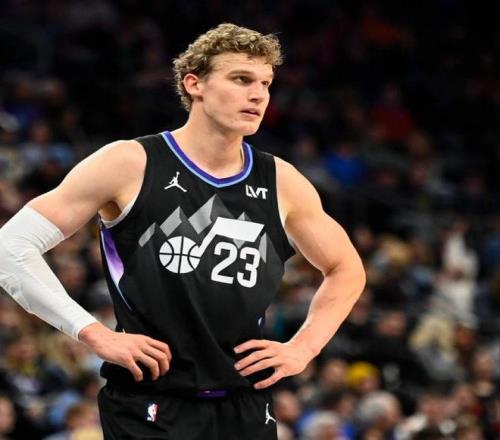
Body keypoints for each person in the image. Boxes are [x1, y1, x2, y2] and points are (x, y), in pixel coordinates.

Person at [0, 23, 366, 439]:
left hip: (246, 404)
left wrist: (304, 347)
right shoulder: (130, 162)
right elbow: (10, 247)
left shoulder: (282, 180)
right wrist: (93, 333)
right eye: (241, 79)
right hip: (151, 402)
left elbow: (346, 268)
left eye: (265, 83)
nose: (258, 94)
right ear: (195, 84)